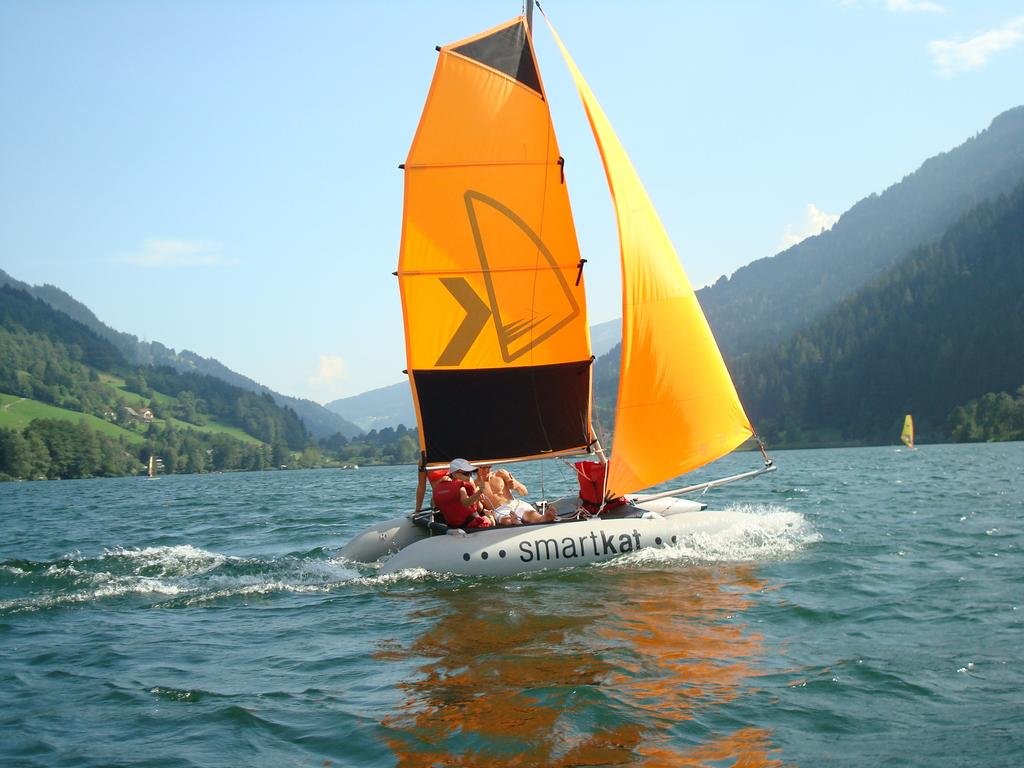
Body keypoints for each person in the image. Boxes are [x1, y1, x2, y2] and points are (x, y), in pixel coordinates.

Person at [478, 464, 556, 525]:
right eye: (482, 467)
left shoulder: (500, 473)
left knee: (530, 513)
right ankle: (515, 522)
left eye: (488, 467)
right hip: (499, 509)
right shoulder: (475, 485)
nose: (486, 470)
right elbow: (478, 508)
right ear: (476, 468)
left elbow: (524, 492)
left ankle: (543, 518)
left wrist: (516, 485)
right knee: (507, 521)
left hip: (514, 503)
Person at [431, 458, 495, 529]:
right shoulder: (461, 488)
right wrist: (480, 491)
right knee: (488, 519)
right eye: (465, 473)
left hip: (452, 524)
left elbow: (434, 504)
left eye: (470, 473)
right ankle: (490, 517)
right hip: (469, 524)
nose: (469, 477)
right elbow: (466, 503)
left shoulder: (442, 486)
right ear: (454, 474)